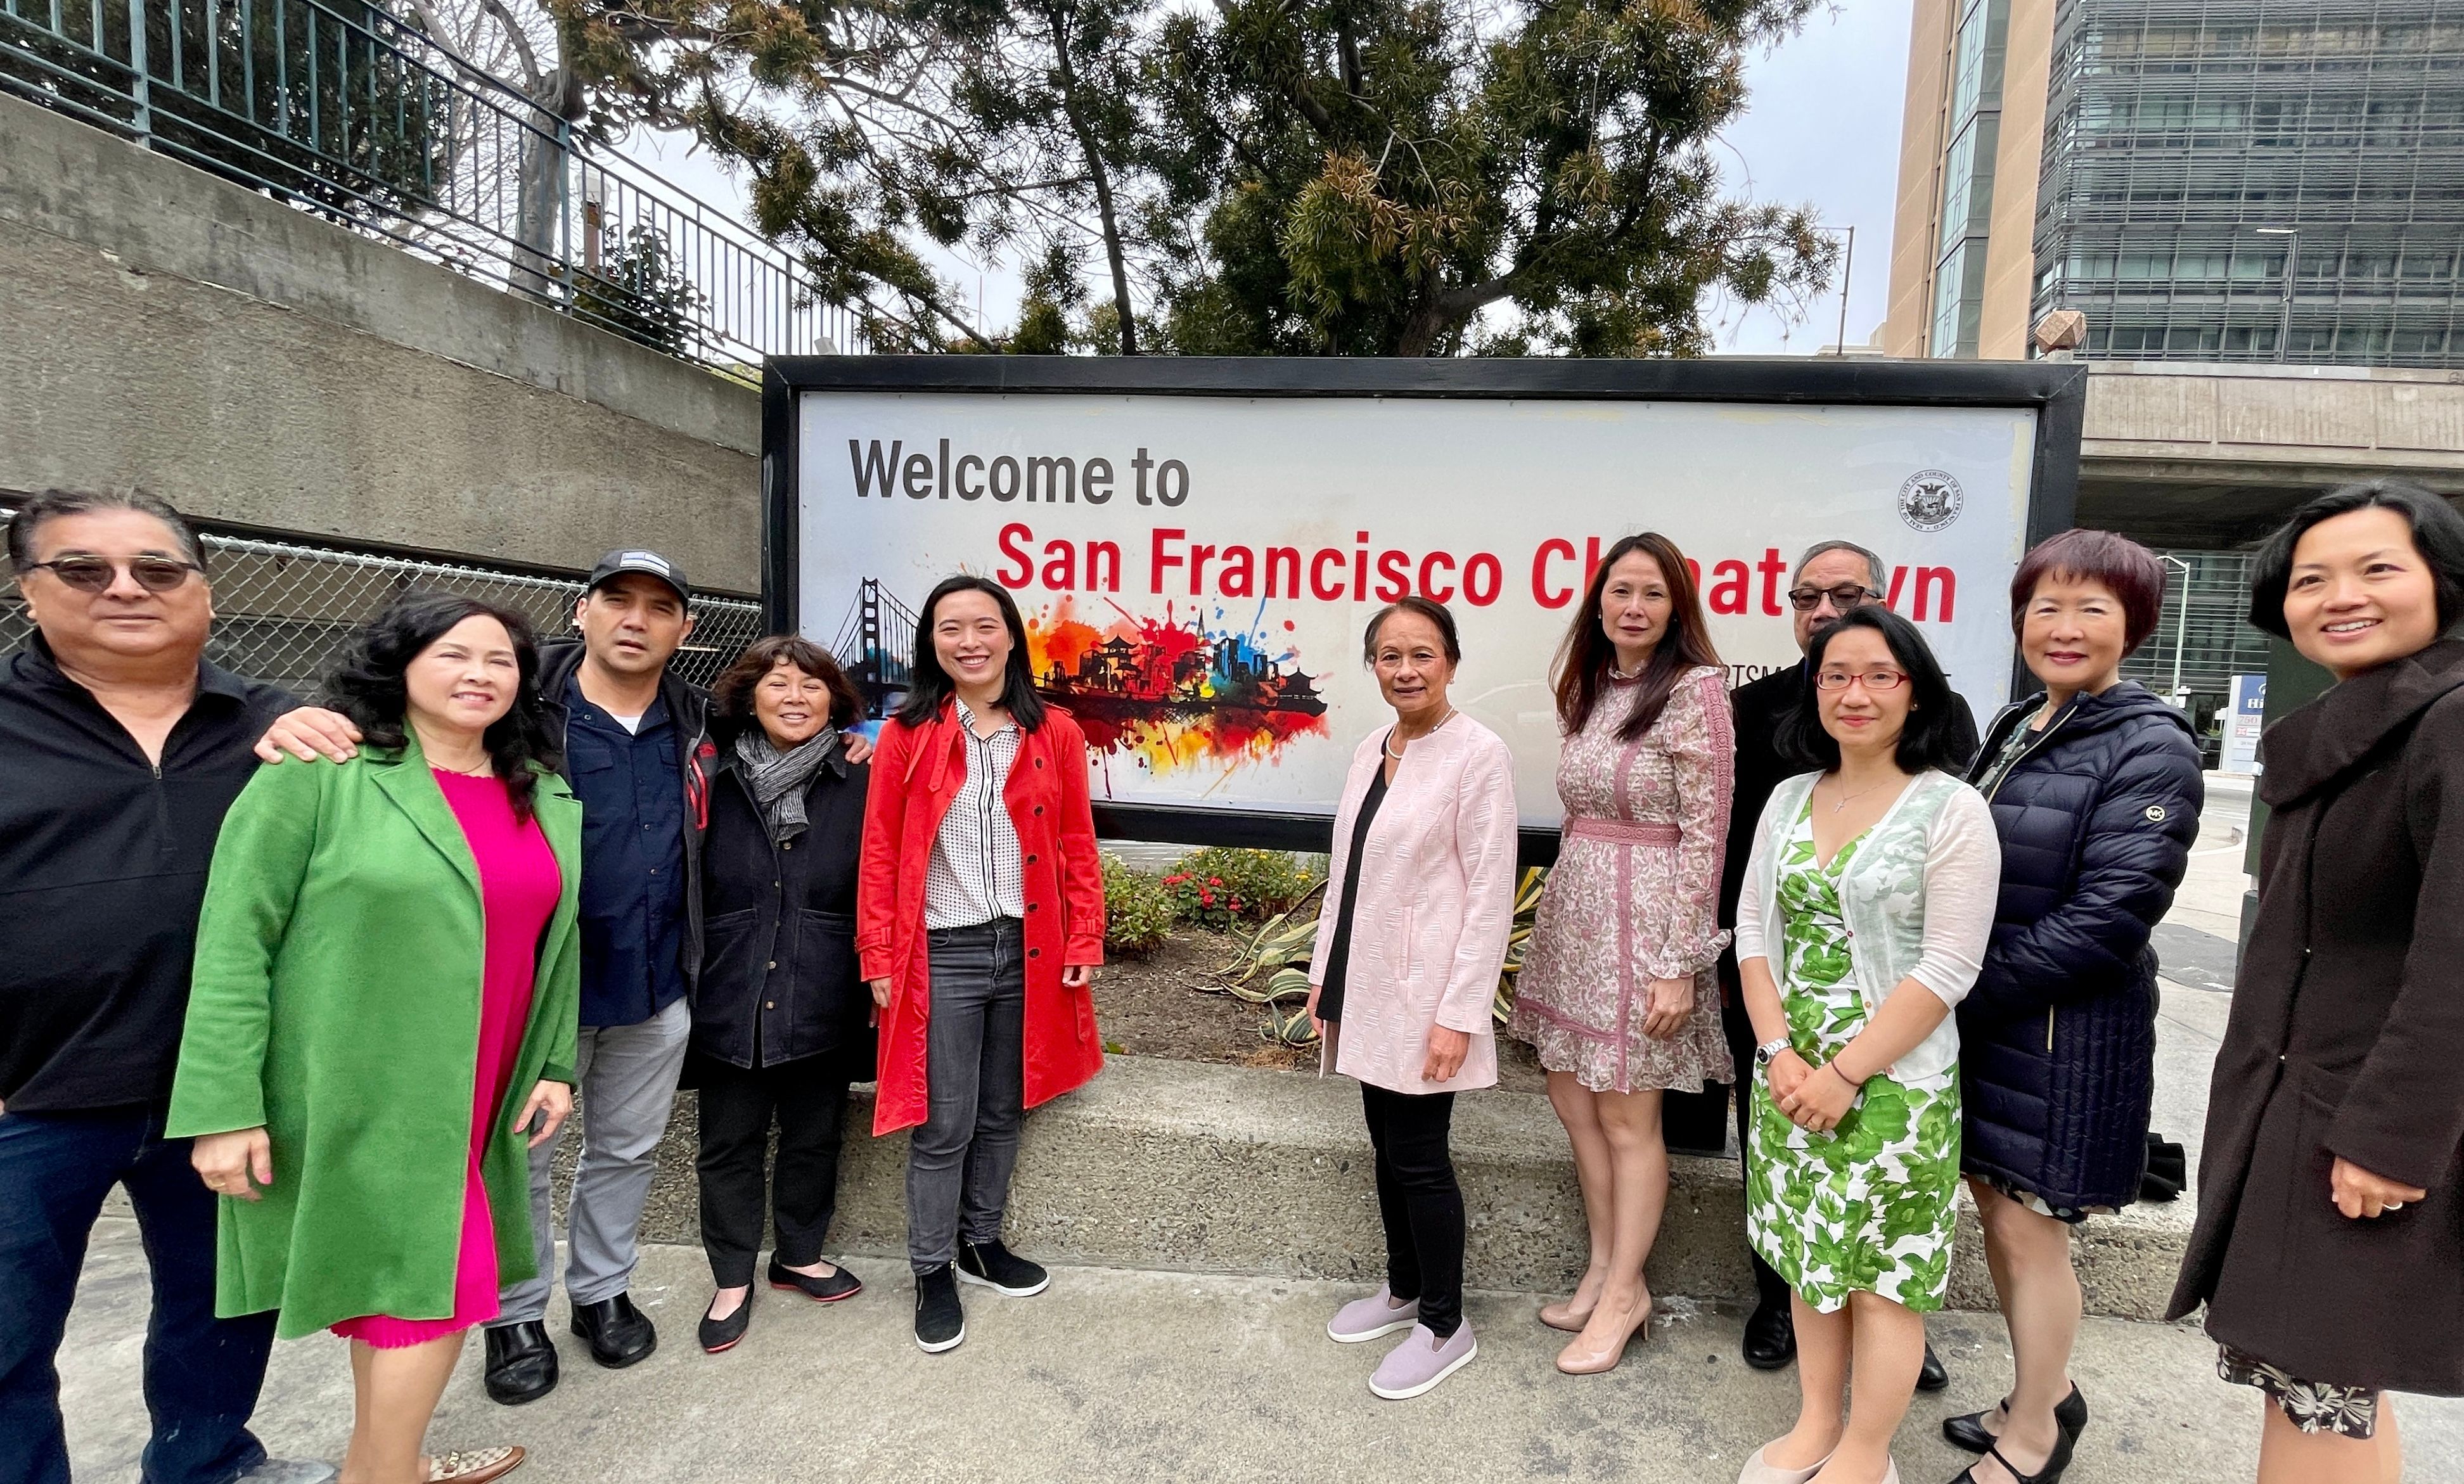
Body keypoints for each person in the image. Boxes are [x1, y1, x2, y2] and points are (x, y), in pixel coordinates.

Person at [255, 550, 866, 1403]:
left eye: (659, 608)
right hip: (537, 986)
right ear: (580, 612)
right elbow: (407, 715)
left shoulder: (696, 723)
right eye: (617, 600)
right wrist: (301, 716)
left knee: (626, 1149)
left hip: (658, 984)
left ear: (684, 630)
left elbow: (803, 734)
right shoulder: (519, 708)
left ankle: (602, 1292)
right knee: (521, 1159)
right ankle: (513, 1315)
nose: (635, 619)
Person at [170, 589, 581, 1484]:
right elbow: (236, 940)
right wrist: (222, 1105)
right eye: (454, 653)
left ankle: (383, 1461)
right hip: (366, 1083)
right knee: (431, 1292)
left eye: (501, 660)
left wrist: (553, 1063)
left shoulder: (541, 792)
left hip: (488, 1082)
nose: (479, 673)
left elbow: (557, 941)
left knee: (399, 1291)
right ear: (397, 665)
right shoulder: (316, 774)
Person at [0, 490, 337, 1484]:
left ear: (205, 591)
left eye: (156, 569)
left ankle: (206, 1462)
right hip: (32, 1095)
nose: (123, 588)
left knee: (224, 1302)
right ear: (29, 588)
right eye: (83, 568)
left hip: (226, 1091)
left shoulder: (285, 721)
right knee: (9, 1341)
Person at [2169, 480, 2464, 1484]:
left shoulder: (2450, 724)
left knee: (2317, 1378)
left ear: (2443, 581)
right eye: (2312, 578)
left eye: (2378, 568)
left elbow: (2456, 959)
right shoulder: (2361, 725)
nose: (2342, 594)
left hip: (2360, 1130)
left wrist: (2389, 1138)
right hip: (2303, 1111)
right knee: (2319, 1379)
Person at [1946, 531, 2203, 1484]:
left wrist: (1956, 993)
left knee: (2028, 1227)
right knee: (1999, 1209)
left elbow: (2109, 918)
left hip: (2063, 1034)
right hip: (1995, 1023)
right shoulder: (2023, 720)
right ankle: (2039, 1390)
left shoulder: (2150, 744)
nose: (2065, 627)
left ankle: (2037, 1436)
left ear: (2134, 624)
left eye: (2093, 608)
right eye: (2046, 606)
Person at [1733, 606, 1998, 1484]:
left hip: (1895, 1087)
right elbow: (1754, 938)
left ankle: (1864, 1452)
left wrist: (1845, 1072)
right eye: (1836, 674)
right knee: (1812, 1262)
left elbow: (1949, 965)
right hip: (1789, 1077)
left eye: (1880, 673)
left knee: (1885, 1278)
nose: (1856, 692)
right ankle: (1815, 1423)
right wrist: (1778, 1056)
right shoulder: (1788, 797)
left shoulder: (1951, 808)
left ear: (1914, 688)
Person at [857, 575, 1105, 1355]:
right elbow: (882, 848)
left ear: (1010, 636)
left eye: (984, 625)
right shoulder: (908, 732)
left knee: (1005, 1107)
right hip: (943, 949)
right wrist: (878, 953)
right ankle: (932, 1267)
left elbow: (1073, 840)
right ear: (931, 641)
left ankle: (981, 1241)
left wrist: (1084, 937)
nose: (968, 640)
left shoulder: (1055, 730)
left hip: (1027, 945)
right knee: (943, 1120)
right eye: (949, 627)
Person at [1510, 534, 1733, 1375]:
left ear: (1677, 607)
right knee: (1575, 1102)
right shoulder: (1593, 686)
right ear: (1598, 602)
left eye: (1651, 593)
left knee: (1631, 1117)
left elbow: (1707, 835)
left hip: (1648, 930)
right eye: (1620, 592)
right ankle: (1605, 1268)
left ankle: (1625, 1290)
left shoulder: (1695, 692)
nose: (1633, 607)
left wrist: (1680, 959)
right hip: (1578, 918)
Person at [1309, 597, 1520, 1402]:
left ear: (1452, 663)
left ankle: (1444, 1321)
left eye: (1423, 654)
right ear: (1374, 667)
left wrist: (1459, 1013)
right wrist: (1325, 980)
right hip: (1363, 990)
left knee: (1422, 1160)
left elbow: (1490, 896)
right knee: (1385, 1149)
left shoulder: (1479, 754)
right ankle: (1401, 1289)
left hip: (1429, 997)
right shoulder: (1374, 745)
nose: (1406, 669)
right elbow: (1349, 876)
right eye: (1390, 655)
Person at [688, 636, 875, 1355]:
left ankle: (798, 1254)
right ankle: (731, 1276)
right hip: (731, 982)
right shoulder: (710, 773)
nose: (796, 698)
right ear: (749, 696)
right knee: (728, 1140)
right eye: (778, 684)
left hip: (825, 981)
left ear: (836, 701)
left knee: (814, 1134)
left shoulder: (860, 776)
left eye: (813, 686)